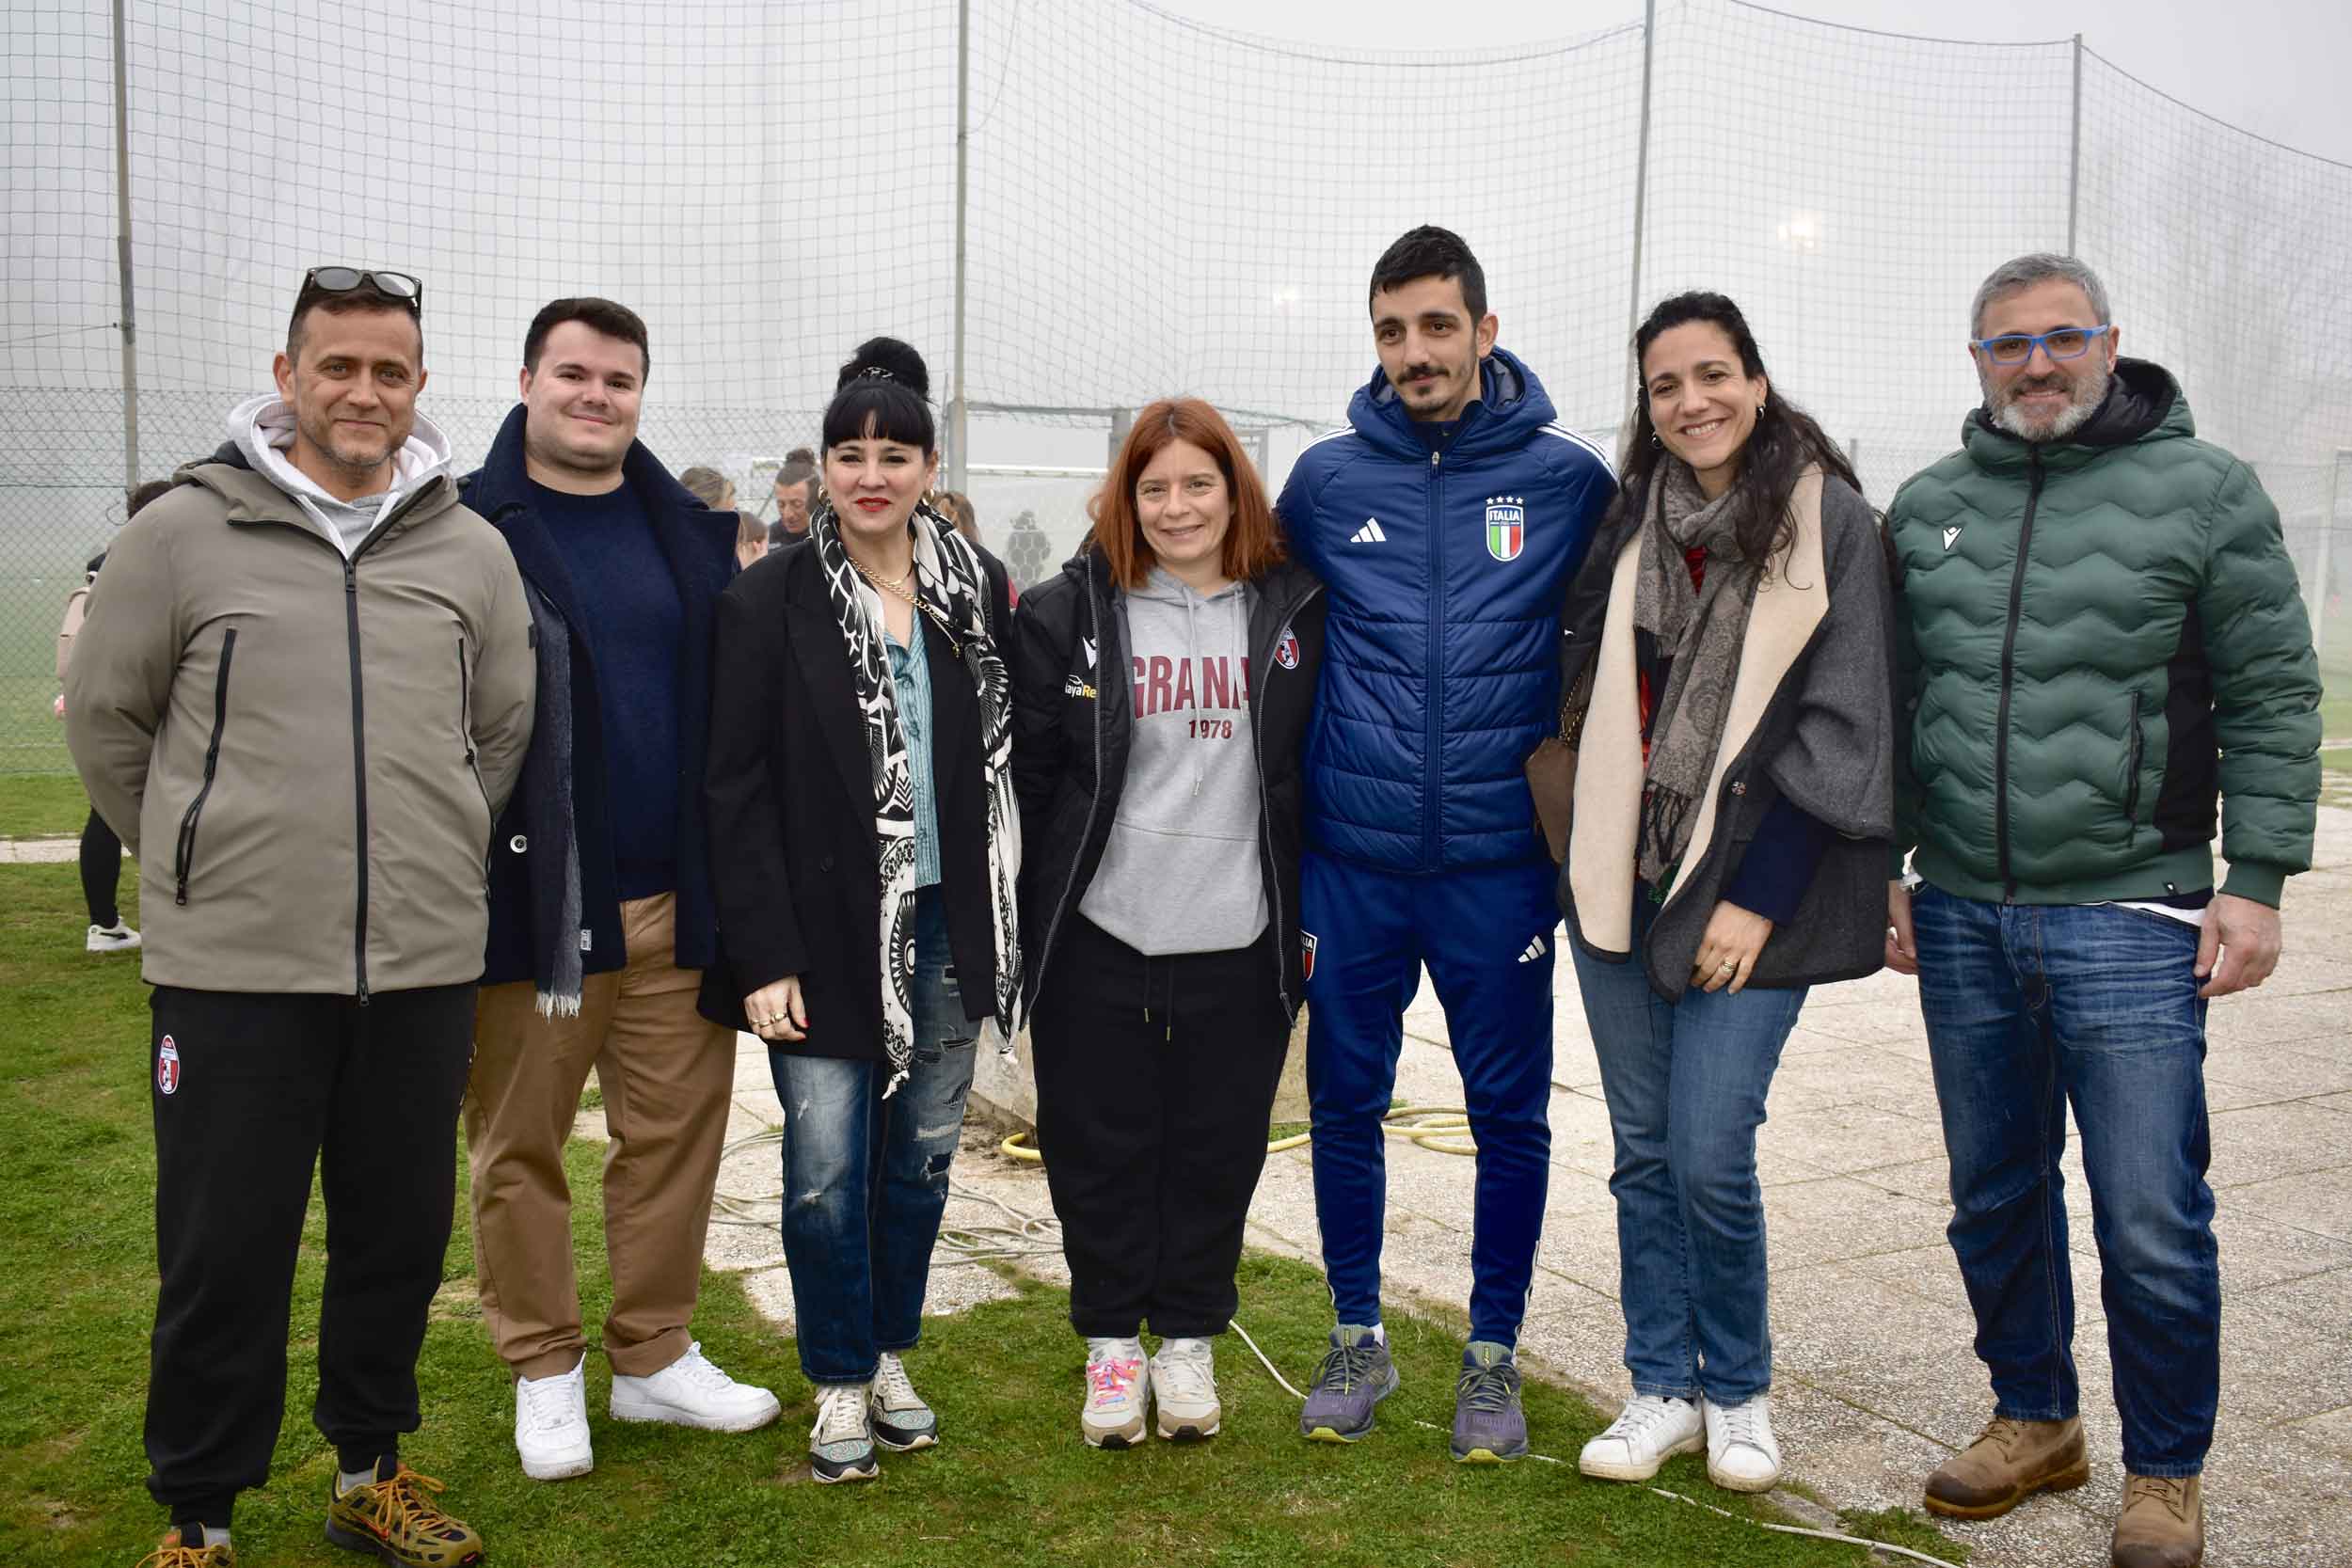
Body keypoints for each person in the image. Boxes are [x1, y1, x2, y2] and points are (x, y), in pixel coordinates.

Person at [65, 264, 532, 1568]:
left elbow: (494, 734)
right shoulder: (183, 532)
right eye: (338, 365)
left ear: (420, 385)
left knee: (395, 1237)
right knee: (226, 1248)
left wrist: (421, 850)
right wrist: (203, 854)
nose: (364, 390)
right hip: (235, 969)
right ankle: (202, 1514)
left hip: (422, 964)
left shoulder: (468, 547)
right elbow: (111, 723)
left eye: (390, 369)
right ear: (287, 376)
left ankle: (369, 1472)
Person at [1884, 254, 2320, 1568]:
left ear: (2111, 343)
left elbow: (2274, 693)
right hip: (1962, 911)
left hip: (2133, 910)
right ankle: (2035, 1415)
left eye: (2061, 338)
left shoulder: (2205, 490)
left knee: (2148, 1207)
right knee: (1994, 1190)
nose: (2036, 363)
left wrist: (2257, 879)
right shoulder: (1926, 506)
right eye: (2006, 344)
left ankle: (2166, 1468)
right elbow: (1892, 715)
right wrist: (1885, 867)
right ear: (1975, 360)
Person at [1275, 225, 1614, 1462]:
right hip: (1352, 866)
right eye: (1390, 329)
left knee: (1509, 1112)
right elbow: (1273, 638)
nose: (1414, 351)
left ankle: (1491, 1355)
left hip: (1497, 870)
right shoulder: (1324, 482)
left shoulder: (1571, 479)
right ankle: (1356, 1331)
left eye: (1435, 324)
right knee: (1345, 1099)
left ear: (1484, 327)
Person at [1556, 293, 1896, 1496]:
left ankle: (1739, 1387)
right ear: (1645, 407)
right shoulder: (1626, 523)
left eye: (1713, 375)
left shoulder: (1830, 521)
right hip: (1620, 876)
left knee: (1708, 1148)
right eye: (1665, 385)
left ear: (1755, 380)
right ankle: (1662, 1382)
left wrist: (1756, 898)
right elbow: (1581, 684)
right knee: (1642, 1151)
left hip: (1751, 891)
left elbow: (1847, 724)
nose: (1691, 401)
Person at [461, 297, 776, 1486]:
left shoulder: (684, 530)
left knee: (674, 1142)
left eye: (619, 380)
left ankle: (652, 1355)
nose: (596, 397)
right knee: (519, 1144)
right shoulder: (472, 525)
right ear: (529, 379)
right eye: (574, 375)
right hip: (537, 909)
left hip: (672, 902)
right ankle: (544, 1368)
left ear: (641, 393)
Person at [704, 337, 1020, 1483]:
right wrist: (763, 953)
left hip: (949, 924)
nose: (872, 473)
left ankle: (890, 1354)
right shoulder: (766, 598)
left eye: (895, 452)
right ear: (823, 470)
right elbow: (731, 788)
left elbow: (1005, 760)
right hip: (822, 932)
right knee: (828, 1166)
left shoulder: (971, 585)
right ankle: (836, 1378)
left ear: (930, 464)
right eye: (850, 453)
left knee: (922, 1160)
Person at [1010, 398, 1326, 1449]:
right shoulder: (1069, 610)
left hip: (1236, 936)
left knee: (1214, 1149)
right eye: (1154, 488)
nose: (1177, 505)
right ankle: (1110, 1344)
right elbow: (1038, 783)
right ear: (1122, 499)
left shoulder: (1290, 606)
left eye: (1199, 483)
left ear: (1234, 490)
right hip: (1102, 933)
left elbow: (1301, 775)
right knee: (1096, 1148)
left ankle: (1187, 1338)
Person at [55, 477, 171, 955]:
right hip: (150, 708)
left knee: (108, 812)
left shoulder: (103, 566)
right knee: (162, 815)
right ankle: (126, 924)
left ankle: (106, 924)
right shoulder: (153, 564)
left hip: (109, 708)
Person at [770, 446, 817, 546]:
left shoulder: (832, 536)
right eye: (781, 505)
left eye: (797, 504)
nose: (788, 515)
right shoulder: (769, 538)